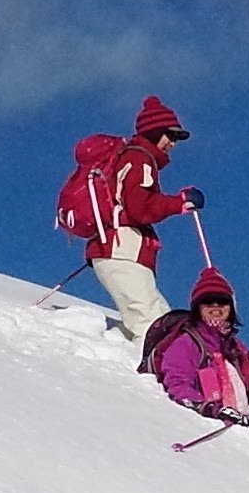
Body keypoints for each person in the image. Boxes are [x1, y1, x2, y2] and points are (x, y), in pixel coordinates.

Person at [142, 268, 249, 468]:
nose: (215, 307)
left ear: (231, 308)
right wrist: (209, 407)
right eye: (208, 301)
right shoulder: (187, 344)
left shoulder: (239, 352)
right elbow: (177, 383)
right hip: (225, 428)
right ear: (197, 307)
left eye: (222, 301)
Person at [69, 94, 200, 344]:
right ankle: (153, 376)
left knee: (160, 320)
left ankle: (118, 354)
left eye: (177, 138)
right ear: (153, 131)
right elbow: (140, 209)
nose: (173, 143)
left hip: (120, 251)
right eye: (170, 135)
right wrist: (180, 202)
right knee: (153, 325)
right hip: (121, 251)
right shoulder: (140, 159)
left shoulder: (135, 158)